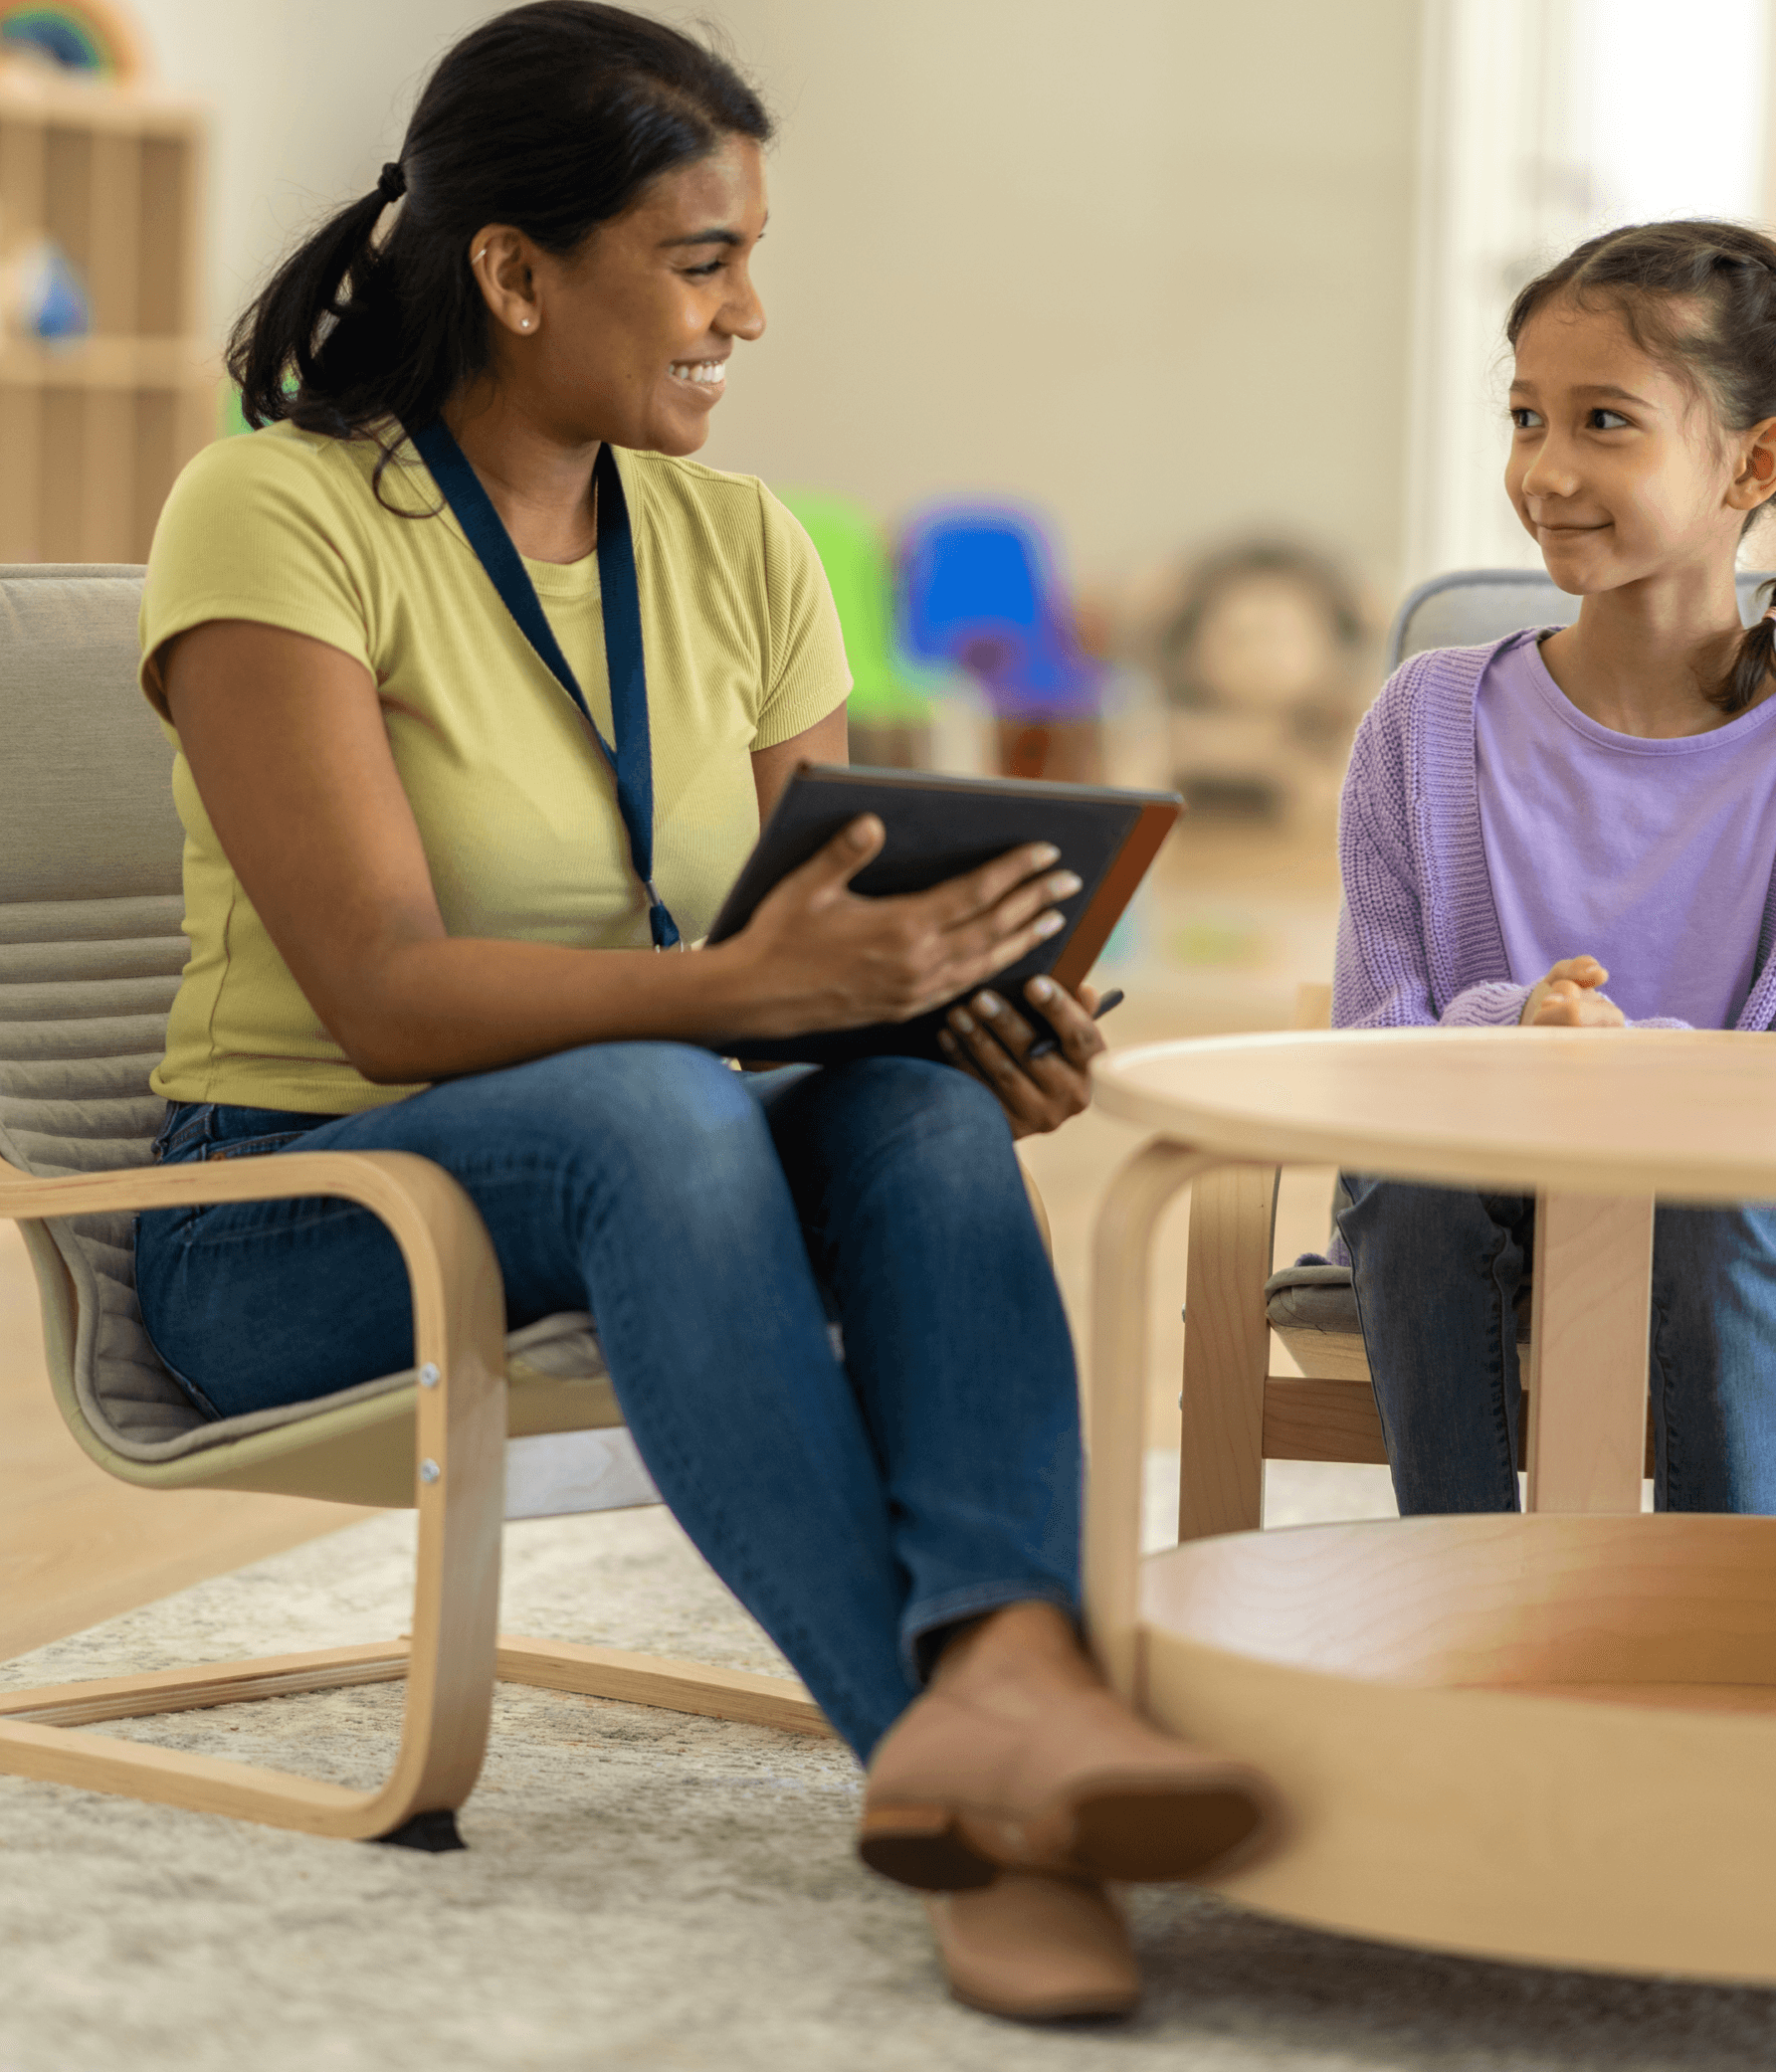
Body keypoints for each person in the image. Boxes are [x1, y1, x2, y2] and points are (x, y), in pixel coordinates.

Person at [132, 1, 1273, 2022]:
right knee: (659, 1097)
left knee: (906, 1118)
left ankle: (1006, 1678)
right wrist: (746, 994)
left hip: (632, 1144)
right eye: (701, 256)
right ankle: (948, 1750)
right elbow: (382, 996)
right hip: (292, 1217)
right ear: (512, 272)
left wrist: (947, 1014)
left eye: (755, 255)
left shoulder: (742, 547)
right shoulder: (279, 514)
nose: (752, 312)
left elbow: (799, 944)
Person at [1331, 221, 1776, 1517]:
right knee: (1407, 1189)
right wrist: (1517, 1028)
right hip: (1471, 1168)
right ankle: (1458, 1609)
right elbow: (1371, 1051)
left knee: (1719, 1195)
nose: (1544, 469)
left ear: (1754, 461)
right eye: (1524, 418)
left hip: (1751, 1197)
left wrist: (1617, 1063)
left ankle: (1713, 1631)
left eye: (1602, 421)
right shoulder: (1422, 721)